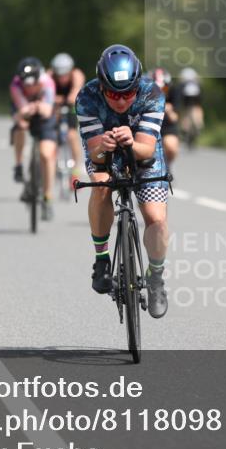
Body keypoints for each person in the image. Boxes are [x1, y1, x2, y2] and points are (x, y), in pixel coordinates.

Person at [76, 44, 170, 319]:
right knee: (102, 186)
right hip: (103, 151)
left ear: (137, 85)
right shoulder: (87, 96)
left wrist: (131, 140)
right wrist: (104, 147)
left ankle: (156, 278)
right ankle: (102, 261)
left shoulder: (152, 92)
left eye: (128, 93)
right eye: (113, 94)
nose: (120, 101)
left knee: (156, 218)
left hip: (143, 150)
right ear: (102, 87)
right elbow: (95, 153)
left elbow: (147, 150)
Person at [11, 56, 58, 221]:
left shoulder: (47, 82)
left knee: (46, 154)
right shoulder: (16, 84)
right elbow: (21, 111)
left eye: (33, 84)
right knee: (20, 127)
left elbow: (46, 110)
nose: (29, 87)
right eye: (26, 84)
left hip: (44, 115)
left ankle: (47, 197)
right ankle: (18, 165)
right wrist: (27, 111)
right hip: (25, 111)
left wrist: (36, 106)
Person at [49, 52, 86, 178]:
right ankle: (53, 160)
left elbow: (75, 93)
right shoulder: (50, 75)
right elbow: (48, 95)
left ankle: (76, 167)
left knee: (71, 134)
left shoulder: (77, 74)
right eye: (59, 75)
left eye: (64, 75)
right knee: (53, 131)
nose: (62, 78)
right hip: (56, 106)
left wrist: (65, 98)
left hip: (71, 105)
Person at [150, 68, 179, 168]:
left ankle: (168, 166)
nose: (160, 92)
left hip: (167, 126)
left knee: (171, 147)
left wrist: (169, 110)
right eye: (156, 88)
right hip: (149, 125)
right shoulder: (143, 95)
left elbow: (175, 118)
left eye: (164, 89)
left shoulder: (174, 93)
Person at [176, 67, 204, 146]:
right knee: (197, 108)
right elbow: (201, 95)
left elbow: (179, 96)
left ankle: (185, 128)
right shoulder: (196, 82)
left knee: (185, 111)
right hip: (196, 96)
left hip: (186, 97)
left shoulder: (183, 82)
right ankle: (199, 124)